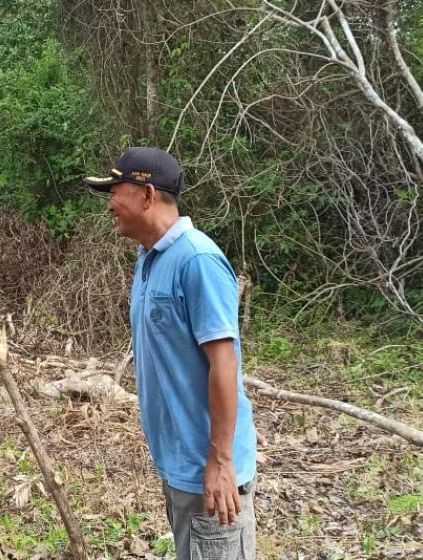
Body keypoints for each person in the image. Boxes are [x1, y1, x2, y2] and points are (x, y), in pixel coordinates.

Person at [84, 147, 258, 559]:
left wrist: (222, 457)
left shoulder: (196, 260)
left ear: (147, 195)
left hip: (208, 474)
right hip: (180, 465)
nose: (110, 204)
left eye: (116, 192)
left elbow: (224, 360)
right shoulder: (149, 258)